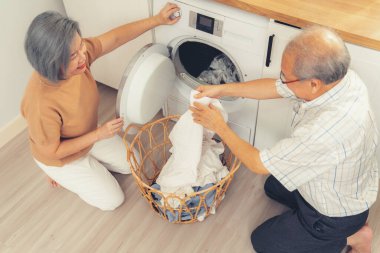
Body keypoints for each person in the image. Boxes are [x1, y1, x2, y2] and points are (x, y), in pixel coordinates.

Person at [190, 26, 378, 253]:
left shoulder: (325, 130)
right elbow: (277, 88)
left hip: (334, 214)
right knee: (273, 186)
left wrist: (219, 125)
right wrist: (221, 89)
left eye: (286, 77)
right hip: (339, 182)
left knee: (263, 241)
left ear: (313, 84)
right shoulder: (341, 79)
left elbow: (258, 164)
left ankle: (352, 238)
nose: (282, 80)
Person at [21, 3, 180, 211]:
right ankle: (59, 174)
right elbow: (53, 150)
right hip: (59, 155)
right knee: (112, 200)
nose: (83, 56)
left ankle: (90, 160)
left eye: (81, 46)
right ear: (52, 62)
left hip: (86, 133)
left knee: (133, 163)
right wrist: (99, 134)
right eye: (73, 55)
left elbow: (113, 39)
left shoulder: (77, 56)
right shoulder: (41, 103)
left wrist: (157, 20)